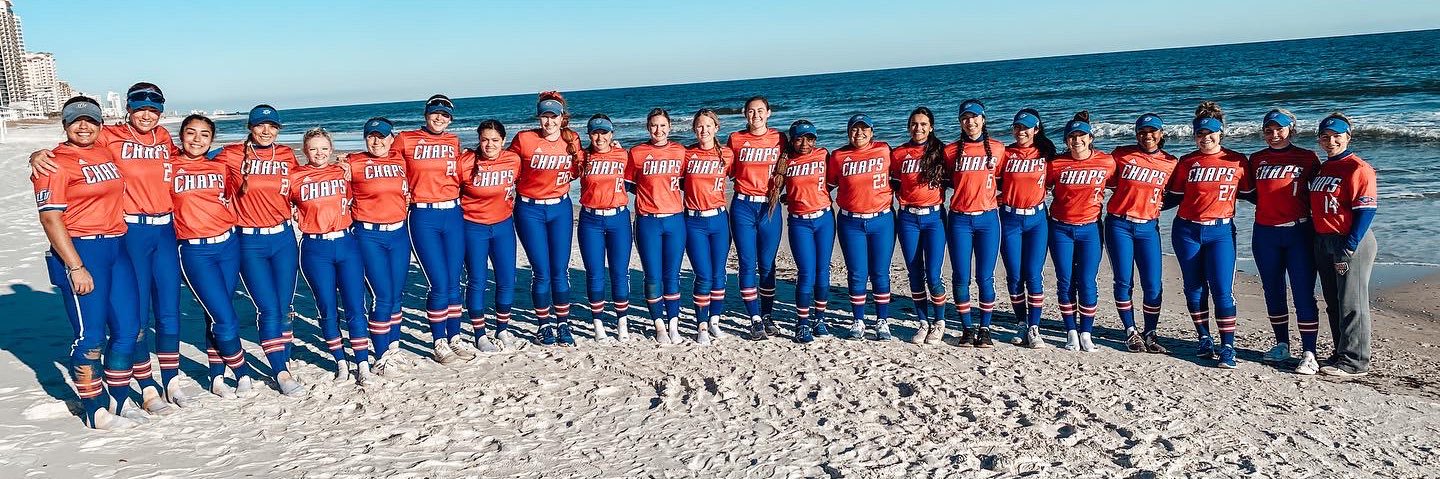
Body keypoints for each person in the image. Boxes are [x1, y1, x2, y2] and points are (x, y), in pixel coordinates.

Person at [30, 82, 180, 414]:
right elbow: (52, 205)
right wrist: (37, 155)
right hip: (109, 239)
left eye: (153, 109)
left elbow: (184, 162)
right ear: (128, 109)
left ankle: (137, 391)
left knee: (144, 320)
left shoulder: (160, 139)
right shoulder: (104, 139)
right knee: (107, 330)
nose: (146, 115)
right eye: (140, 108)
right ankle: (115, 399)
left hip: (136, 236)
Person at [33, 97, 142, 429]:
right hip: (82, 249)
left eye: (91, 120)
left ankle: (119, 398)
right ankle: (95, 409)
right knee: (90, 336)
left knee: (129, 329)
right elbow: (50, 218)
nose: (83, 126)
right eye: (75, 120)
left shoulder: (105, 151)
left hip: (117, 246)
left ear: (100, 125)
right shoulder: (54, 164)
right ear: (65, 125)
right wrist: (75, 266)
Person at [169, 114, 274, 398]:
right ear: (181, 135)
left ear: (212, 140)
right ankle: (242, 373)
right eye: (191, 133)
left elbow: (238, 183)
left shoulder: (220, 166)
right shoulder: (169, 166)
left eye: (204, 134)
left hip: (228, 246)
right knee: (224, 318)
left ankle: (216, 376)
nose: (197, 139)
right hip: (195, 250)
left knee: (215, 314)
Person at [214, 105, 301, 381]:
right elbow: (196, 164)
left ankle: (284, 358)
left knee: (285, 306)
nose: (266, 131)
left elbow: (303, 184)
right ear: (250, 127)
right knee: (268, 308)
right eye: (260, 125)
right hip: (249, 241)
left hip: (284, 238)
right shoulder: (230, 154)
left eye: (272, 126)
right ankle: (280, 371)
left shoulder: (286, 154)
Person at [1166, 101, 1252, 369]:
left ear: (1221, 133)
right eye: (1200, 134)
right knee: (1193, 286)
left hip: (1221, 232)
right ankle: (1204, 338)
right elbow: (1172, 197)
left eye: (1210, 133)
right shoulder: (1186, 162)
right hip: (1186, 230)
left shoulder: (1237, 160)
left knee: (1222, 290)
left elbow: (1252, 194)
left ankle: (1228, 346)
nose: (1205, 138)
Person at [393, 95, 473, 361]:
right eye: (435, 112)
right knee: (438, 282)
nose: (439, 118)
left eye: (445, 115)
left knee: (454, 281)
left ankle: (455, 337)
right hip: (423, 215)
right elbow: (384, 162)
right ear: (426, 114)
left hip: (453, 214)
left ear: (451, 119)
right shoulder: (406, 139)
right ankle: (439, 341)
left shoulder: (454, 141)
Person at [290, 128, 373, 384]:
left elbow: (371, 170)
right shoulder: (295, 177)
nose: (319, 153)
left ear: (332, 149)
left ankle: (362, 363)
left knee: (355, 306)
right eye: (313, 148)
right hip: (315, 248)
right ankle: (341, 363)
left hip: (347, 244)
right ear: (305, 151)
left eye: (324, 148)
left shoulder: (343, 172)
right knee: (327, 308)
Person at [1247, 109, 1321, 371]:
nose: (1274, 134)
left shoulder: (1307, 157)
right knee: (1273, 290)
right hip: (1265, 234)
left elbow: (1322, 192)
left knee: (1303, 292)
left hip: (1298, 233)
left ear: (1291, 129)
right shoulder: (1256, 159)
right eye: (1268, 130)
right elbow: (1250, 193)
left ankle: (1309, 352)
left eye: (1279, 129)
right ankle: (1281, 344)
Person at [1309, 113, 1378, 378]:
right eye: (1325, 137)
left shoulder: (1358, 168)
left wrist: (1349, 245)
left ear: (1348, 137)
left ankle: (1355, 361)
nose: (1331, 141)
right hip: (1323, 239)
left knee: (1352, 302)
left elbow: (1366, 210)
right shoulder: (1324, 168)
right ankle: (1341, 352)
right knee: (1334, 301)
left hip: (1349, 240)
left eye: (1337, 136)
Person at [509, 92, 581, 346]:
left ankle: (563, 323)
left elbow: (579, 167)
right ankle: (543, 325)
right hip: (530, 211)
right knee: (541, 271)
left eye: (554, 116)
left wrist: (612, 147)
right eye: (545, 116)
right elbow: (503, 163)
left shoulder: (572, 139)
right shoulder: (524, 139)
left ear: (562, 118)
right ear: (539, 117)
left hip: (560, 209)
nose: (549, 122)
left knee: (560, 270)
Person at [1106, 113, 1178, 353]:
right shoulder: (1121, 155)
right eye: (1143, 132)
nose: (1148, 136)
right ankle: (1130, 331)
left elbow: (1177, 194)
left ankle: (1150, 332)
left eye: (1153, 131)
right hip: (1119, 225)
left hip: (1148, 227)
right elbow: (1105, 180)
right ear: (1136, 134)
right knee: (1124, 280)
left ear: (1161, 133)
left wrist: (1158, 205)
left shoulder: (1171, 162)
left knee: (1153, 283)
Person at [1046, 111, 1116, 352]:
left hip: (1090, 230)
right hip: (1060, 229)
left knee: (1087, 281)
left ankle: (1086, 332)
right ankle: (1071, 332)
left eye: (1081, 135)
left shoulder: (1106, 162)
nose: (1077, 140)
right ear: (1066, 140)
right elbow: (1039, 186)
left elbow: (1123, 185)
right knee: (1065, 280)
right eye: (1072, 136)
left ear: (1090, 138)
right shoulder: (1056, 164)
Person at [345, 118, 410, 373]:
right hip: (369, 235)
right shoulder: (353, 163)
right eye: (371, 136)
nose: (376, 141)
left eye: (382, 136)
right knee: (381, 295)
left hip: (399, 234)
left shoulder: (400, 160)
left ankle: (393, 348)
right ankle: (381, 355)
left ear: (392, 138)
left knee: (396, 294)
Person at [944, 100, 1005, 347]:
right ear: (960, 122)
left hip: (988, 220)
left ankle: (985, 328)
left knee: (985, 277)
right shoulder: (950, 151)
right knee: (961, 276)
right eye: (965, 118)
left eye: (975, 117)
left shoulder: (998, 148)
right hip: (959, 220)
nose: (971, 122)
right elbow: (945, 181)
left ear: (983, 119)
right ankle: (967, 328)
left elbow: (1008, 180)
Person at [459, 120, 522, 351]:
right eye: (485, 139)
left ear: (503, 141)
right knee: (478, 279)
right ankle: (480, 334)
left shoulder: (513, 160)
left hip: (503, 226)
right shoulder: (466, 162)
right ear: (479, 140)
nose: (489, 145)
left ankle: (502, 329)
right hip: (473, 227)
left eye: (495, 140)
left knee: (507, 278)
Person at [768, 120, 833, 343]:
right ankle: (802, 323)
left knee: (823, 271)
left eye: (810, 138)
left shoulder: (824, 155)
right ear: (791, 140)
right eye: (799, 139)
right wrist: (791, 197)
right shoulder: (785, 162)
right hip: (799, 223)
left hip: (824, 220)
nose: (805, 143)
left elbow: (833, 182)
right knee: (806, 272)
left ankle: (820, 319)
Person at [831, 113, 895, 340]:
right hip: (851, 222)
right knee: (857, 272)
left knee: (880, 272)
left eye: (864, 128)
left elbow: (902, 176)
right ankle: (858, 320)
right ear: (848, 132)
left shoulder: (885, 150)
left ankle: (882, 321)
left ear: (872, 131)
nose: (859, 133)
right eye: (854, 129)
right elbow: (825, 184)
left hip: (882, 221)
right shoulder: (838, 156)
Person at [728, 96, 786, 338]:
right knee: (746, 262)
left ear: (769, 113)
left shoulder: (780, 138)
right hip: (743, 206)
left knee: (768, 264)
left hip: (769, 208)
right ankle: (754, 318)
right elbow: (724, 166)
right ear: (745, 114)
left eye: (760, 110)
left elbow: (794, 166)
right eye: (751, 111)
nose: (756, 115)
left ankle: (767, 314)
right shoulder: (735, 139)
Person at [630, 108, 688, 345]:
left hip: (675, 220)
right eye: (654, 125)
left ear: (670, 127)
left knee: (672, 275)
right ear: (647, 127)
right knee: (653, 276)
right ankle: (659, 326)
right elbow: (629, 184)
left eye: (663, 125)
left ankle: (673, 324)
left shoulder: (680, 151)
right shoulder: (637, 153)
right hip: (648, 221)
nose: (658, 130)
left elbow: (686, 182)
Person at [892, 107, 949, 345]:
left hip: (934, 219)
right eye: (914, 124)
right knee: (914, 273)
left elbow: (960, 179)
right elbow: (892, 183)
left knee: (933, 275)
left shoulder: (942, 152)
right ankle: (923, 322)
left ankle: (940, 322)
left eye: (924, 124)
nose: (919, 128)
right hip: (908, 219)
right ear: (908, 127)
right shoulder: (898, 153)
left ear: (931, 127)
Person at [575, 114, 634, 341]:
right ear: (589, 135)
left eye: (604, 133)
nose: (600, 138)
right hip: (590, 221)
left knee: (620, 272)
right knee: (595, 273)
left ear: (612, 134)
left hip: (619, 219)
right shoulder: (582, 157)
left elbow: (639, 181)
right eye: (595, 133)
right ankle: (598, 324)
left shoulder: (623, 155)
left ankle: (622, 323)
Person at [998, 109, 1053, 348]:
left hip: (1037, 220)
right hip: (1009, 219)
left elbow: (1061, 179)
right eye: (1017, 127)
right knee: (1014, 274)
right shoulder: (1005, 154)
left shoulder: (1046, 155)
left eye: (1026, 127)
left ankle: (1034, 327)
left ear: (1036, 130)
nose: (1021, 131)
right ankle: (1021, 322)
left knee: (1033, 273)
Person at [683, 109, 733, 344]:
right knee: (703, 274)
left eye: (708, 126)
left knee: (719, 273)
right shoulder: (686, 154)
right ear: (694, 129)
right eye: (700, 126)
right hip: (694, 221)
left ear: (716, 128)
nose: (704, 130)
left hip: (720, 220)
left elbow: (746, 175)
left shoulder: (727, 154)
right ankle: (701, 325)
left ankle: (715, 321)